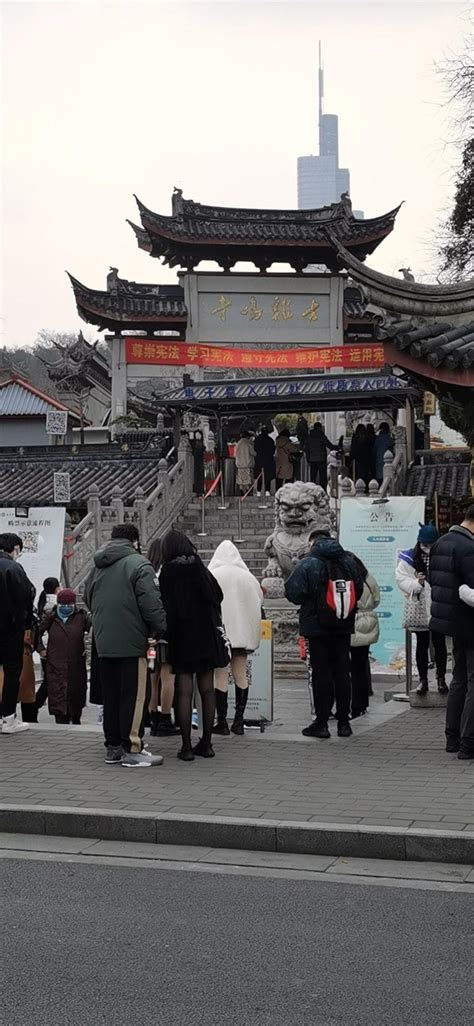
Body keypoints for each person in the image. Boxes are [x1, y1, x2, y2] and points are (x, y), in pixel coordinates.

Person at [84, 523, 167, 767]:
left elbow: (88, 597)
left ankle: (113, 748)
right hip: (132, 642)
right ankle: (132, 748)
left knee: (111, 696)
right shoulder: (139, 565)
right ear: (135, 541)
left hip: (103, 642)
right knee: (134, 696)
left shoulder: (98, 566)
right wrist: (159, 627)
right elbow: (151, 604)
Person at [285, 527, 363, 739]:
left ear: (312, 542)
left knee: (320, 673)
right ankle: (344, 723)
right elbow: (359, 588)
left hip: (316, 627)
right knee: (342, 671)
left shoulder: (309, 563)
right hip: (343, 624)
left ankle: (321, 723)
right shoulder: (348, 561)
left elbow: (293, 592)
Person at [159, 529, 230, 761]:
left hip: (181, 636)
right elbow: (217, 596)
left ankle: (186, 747)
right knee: (207, 689)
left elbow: (165, 605)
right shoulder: (200, 567)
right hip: (206, 635)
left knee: (184, 690)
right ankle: (207, 744)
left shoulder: (167, 572)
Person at [429, 505, 474, 760]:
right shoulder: (469, 548)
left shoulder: (440, 542)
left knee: (458, 679)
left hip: (449, 622)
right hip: (469, 621)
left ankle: (452, 737)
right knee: (472, 680)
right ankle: (469, 742)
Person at [208, 541, 263, 736]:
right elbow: (259, 600)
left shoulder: (213, 575)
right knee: (241, 674)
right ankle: (238, 721)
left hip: (221, 635)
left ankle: (221, 721)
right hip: (243, 635)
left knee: (220, 675)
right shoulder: (248, 577)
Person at [396, 524, 447, 695]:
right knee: (422, 645)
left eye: (431, 544)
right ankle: (423, 680)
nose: (427, 548)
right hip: (419, 608)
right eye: (425, 544)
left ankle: (441, 678)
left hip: (439, 605)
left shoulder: (443, 556)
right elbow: (401, 578)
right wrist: (417, 584)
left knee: (439, 644)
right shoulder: (409, 558)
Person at [0, 533, 35, 735]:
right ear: (15, 548)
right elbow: (26, 595)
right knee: (12, 672)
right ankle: (9, 718)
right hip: (10, 630)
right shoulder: (13, 568)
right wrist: (26, 624)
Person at [39, 588, 90, 725]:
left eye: (69, 604)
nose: (66, 607)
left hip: (76, 662)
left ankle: (76, 719)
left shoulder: (82, 617)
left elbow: (91, 631)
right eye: (63, 604)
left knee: (76, 692)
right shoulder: (51, 617)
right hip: (55, 663)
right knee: (57, 693)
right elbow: (36, 633)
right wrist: (41, 650)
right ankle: (61, 721)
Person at [147, 538, 180, 737]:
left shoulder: (146, 572)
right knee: (168, 676)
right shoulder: (168, 573)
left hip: (150, 635)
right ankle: (166, 717)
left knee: (153, 675)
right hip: (167, 633)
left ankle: (152, 716)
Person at [348, 554, 380, 717]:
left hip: (353, 622)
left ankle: (353, 705)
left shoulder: (350, 581)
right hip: (369, 621)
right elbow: (376, 600)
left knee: (349, 668)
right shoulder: (369, 579)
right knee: (361, 665)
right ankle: (362, 703)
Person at [35, 577, 61, 712]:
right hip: (54, 646)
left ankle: (35, 704)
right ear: (57, 588)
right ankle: (34, 704)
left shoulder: (42, 601)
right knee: (51, 679)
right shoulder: (57, 603)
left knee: (48, 677)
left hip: (44, 646)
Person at [305, 423, 336, 490]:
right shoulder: (321, 435)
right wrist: (337, 447)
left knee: (313, 477)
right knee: (322, 477)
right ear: (319, 428)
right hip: (321, 459)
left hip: (312, 459)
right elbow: (329, 445)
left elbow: (307, 448)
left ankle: (312, 490)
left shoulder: (309, 436)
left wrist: (308, 459)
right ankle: (322, 491)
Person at [254, 426, 275, 495]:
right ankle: (267, 491)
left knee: (259, 476)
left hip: (259, 459)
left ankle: (258, 491)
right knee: (268, 476)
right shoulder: (270, 440)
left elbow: (255, 449)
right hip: (268, 460)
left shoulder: (257, 439)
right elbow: (273, 450)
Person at [374, 422, 394, 486]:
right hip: (388, 461)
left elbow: (374, 449)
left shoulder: (377, 438)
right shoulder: (389, 438)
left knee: (380, 477)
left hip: (378, 459)